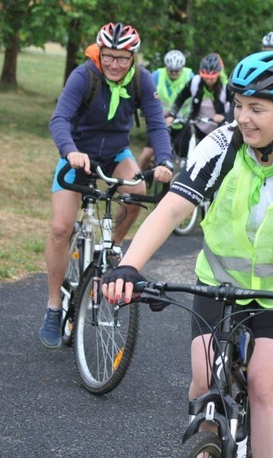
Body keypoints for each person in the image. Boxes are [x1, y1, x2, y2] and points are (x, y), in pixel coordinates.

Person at [101, 51, 273, 457]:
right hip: (220, 283)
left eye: (256, 108)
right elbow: (172, 209)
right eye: (238, 106)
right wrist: (129, 266)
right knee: (203, 378)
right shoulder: (220, 144)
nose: (243, 117)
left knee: (265, 386)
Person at [40, 22, 174, 348]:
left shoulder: (141, 80)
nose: (114, 64)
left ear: (133, 58)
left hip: (115, 153)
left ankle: (112, 246)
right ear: (100, 53)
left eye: (122, 59)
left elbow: (156, 124)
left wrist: (166, 161)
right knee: (60, 228)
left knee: (137, 193)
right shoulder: (84, 75)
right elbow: (59, 119)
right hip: (77, 154)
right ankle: (54, 306)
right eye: (109, 57)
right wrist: (70, 151)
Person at [138, 49, 194, 170]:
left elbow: (197, 96)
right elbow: (144, 94)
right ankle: (138, 177)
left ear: (183, 67)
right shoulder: (157, 75)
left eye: (177, 71)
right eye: (171, 70)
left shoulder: (189, 76)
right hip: (159, 121)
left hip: (181, 122)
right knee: (148, 153)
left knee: (184, 157)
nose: (173, 73)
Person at [167, 52, 229, 143]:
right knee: (179, 144)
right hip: (196, 126)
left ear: (218, 74)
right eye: (205, 77)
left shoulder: (226, 86)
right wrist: (172, 115)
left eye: (212, 78)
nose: (208, 81)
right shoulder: (195, 82)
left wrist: (224, 116)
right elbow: (180, 98)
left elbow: (235, 106)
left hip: (217, 130)